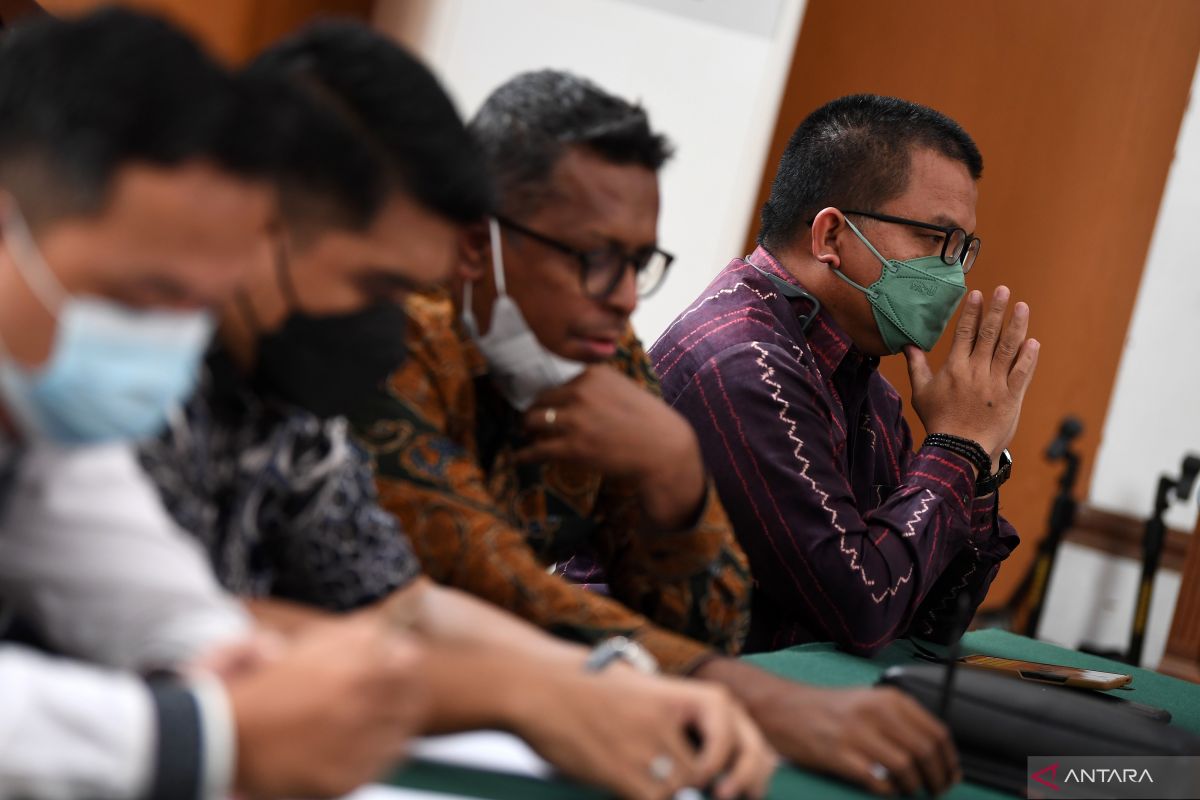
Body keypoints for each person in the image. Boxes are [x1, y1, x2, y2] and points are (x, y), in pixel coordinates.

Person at [137, 24, 775, 800]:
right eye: (378, 286)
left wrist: (601, 670)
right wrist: (533, 691)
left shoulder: (291, 401)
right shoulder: (153, 372)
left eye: (638, 263)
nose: (623, 297)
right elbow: (158, 617)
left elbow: (396, 597)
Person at [353, 70, 961, 797]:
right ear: (476, 242)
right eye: (594, 259)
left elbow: (710, 629)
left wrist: (677, 480)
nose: (624, 299)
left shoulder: (602, 357)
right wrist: (760, 700)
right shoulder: (389, 346)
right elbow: (487, 589)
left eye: (639, 263)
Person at [0, 10, 431, 798]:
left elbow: (112, 562)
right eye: (144, 294)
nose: (166, 340)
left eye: (200, 306)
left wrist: (228, 657)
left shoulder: (39, 415)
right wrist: (196, 735)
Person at [649, 94, 1034, 656]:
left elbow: (932, 624)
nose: (952, 274)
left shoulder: (867, 385)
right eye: (934, 240)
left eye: (961, 249)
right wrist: (959, 445)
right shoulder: (745, 364)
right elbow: (864, 611)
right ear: (831, 236)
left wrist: (977, 464)